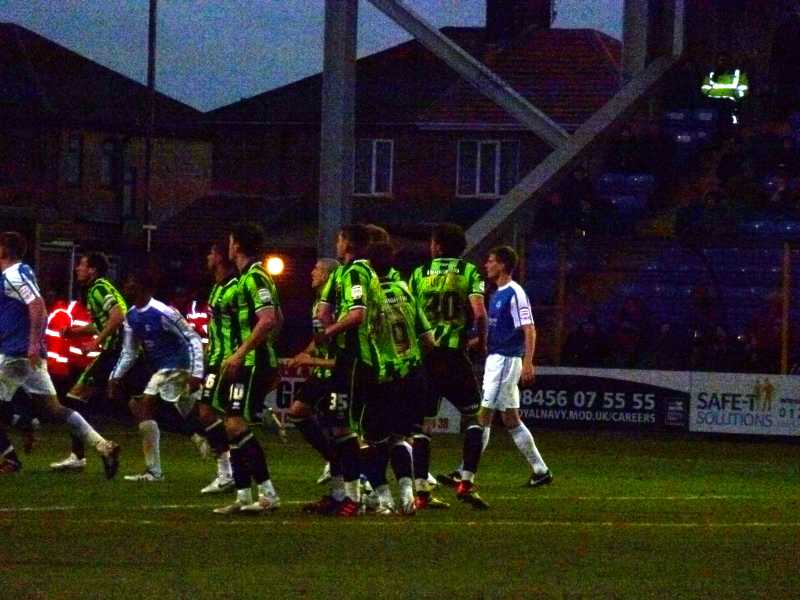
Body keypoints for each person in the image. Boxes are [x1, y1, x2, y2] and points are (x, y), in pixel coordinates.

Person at [0, 232, 120, 477]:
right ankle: (103, 445)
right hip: (26, 354)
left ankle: (11, 457)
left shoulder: (13, 274)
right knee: (54, 409)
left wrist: (32, 343)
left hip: (16, 353)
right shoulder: (16, 274)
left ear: (4, 250)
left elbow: (37, 306)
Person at [409, 223, 489, 509]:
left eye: (432, 242)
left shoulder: (418, 275)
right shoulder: (469, 272)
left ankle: (420, 492)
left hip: (426, 357)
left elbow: (410, 316)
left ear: (439, 246)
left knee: (422, 426)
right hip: (454, 357)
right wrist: (480, 341)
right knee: (473, 417)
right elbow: (480, 313)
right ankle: (466, 481)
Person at [310, 224, 384, 517]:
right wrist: (324, 320)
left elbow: (357, 315)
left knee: (348, 428)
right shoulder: (344, 272)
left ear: (348, 243)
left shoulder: (357, 273)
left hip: (357, 359)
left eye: (339, 239)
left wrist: (328, 331)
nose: (336, 244)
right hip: (345, 361)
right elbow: (323, 309)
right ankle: (347, 493)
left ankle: (366, 493)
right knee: (337, 426)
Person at [108, 267, 203, 482]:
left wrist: (196, 372)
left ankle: (155, 470)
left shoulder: (164, 312)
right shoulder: (131, 316)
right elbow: (130, 351)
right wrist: (115, 376)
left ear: (142, 286)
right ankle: (217, 457)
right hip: (162, 371)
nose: (126, 286)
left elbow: (193, 339)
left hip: (180, 368)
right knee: (202, 417)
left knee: (145, 404)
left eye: (130, 281)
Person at [213, 224, 282, 514]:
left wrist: (242, 352)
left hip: (253, 362)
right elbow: (278, 317)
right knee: (231, 424)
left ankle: (268, 493)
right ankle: (243, 495)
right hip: (246, 361)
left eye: (230, 242)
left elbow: (267, 319)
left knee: (234, 423)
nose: (228, 247)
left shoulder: (255, 277)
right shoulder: (246, 278)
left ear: (237, 245)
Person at [366, 241, 434, 515]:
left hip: (383, 375)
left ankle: (383, 498)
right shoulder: (405, 290)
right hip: (413, 374)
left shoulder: (368, 297)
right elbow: (428, 339)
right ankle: (407, 496)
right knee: (400, 437)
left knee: (373, 440)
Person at [479, 246, 552, 487]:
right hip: (496, 359)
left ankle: (465, 471)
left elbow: (529, 328)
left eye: (490, 261)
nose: (486, 265)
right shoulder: (496, 293)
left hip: (506, 360)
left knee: (484, 415)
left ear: (502, 265)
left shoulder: (515, 292)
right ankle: (541, 470)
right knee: (511, 419)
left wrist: (528, 362)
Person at [51, 252, 127, 472]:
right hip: (122, 350)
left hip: (116, 350)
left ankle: (82, 455)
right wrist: (77, 332)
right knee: (140, 404)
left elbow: (118, 316)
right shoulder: (98, 289)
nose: (77, 269)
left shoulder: (99, 288)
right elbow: (104, 321)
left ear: (92, 270)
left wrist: (96, 343)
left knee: (73, 398)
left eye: (82, 265)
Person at [285, 257, 341, 512]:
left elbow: (342, 345)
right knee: (298, 412)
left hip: (336, 371)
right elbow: (320, 338)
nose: (311, 272)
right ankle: (335, 462)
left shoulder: (338, 304)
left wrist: (314, 359)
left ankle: (355, 487)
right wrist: (303, 355)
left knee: (342, 431)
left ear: (328, 276)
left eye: (317, 269)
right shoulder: (318, 304)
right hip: (321, 370)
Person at [194, 242, 238, 494]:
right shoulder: (217, 287)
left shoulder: (235, 286)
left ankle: (230, 472)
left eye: (211, 253)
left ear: (220, 257)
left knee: (222, 415)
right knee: (208, 412)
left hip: (229, 359)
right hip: (216, 358)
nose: (208, 257)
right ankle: (227, 471)